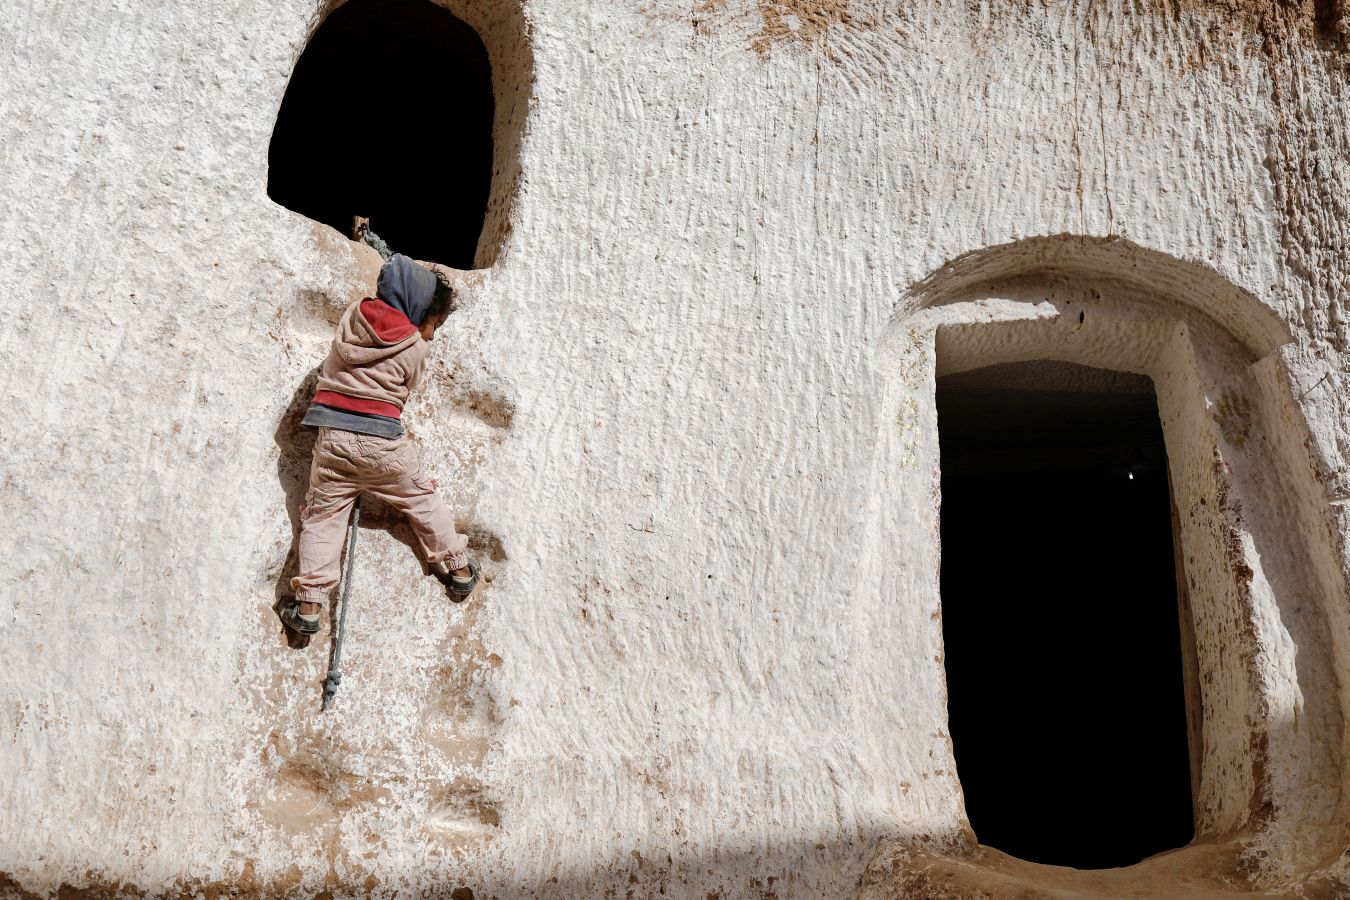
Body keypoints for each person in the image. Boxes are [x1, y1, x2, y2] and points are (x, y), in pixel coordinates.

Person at [281, 254, 478, 636]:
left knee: (323, 517)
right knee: (421, 499)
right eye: (433, 324)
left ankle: (308, 606)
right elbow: (408, 387)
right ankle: (460, 570)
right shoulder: (415, 349)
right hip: (383, 444)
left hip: (333, 441)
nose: (432, 334)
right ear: (418, 310)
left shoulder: (354, 315)